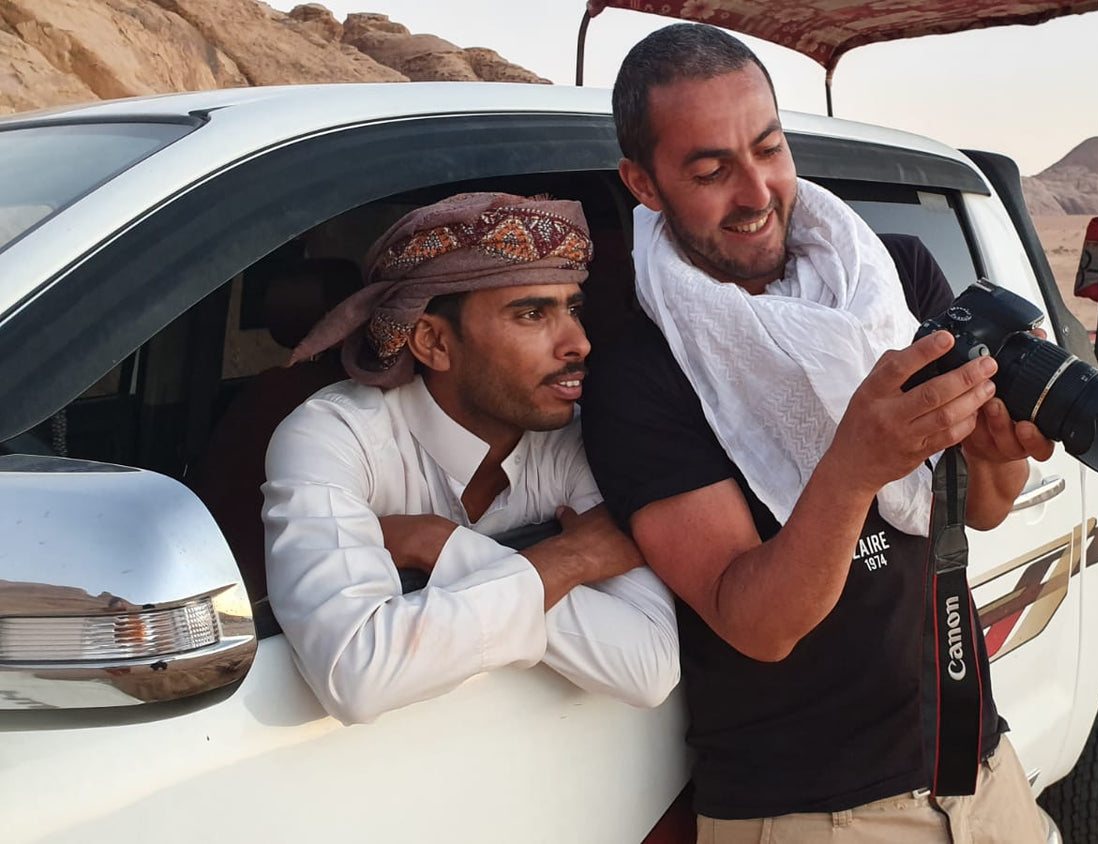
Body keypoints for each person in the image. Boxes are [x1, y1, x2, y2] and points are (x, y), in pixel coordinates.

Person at [581, 23, 1054, 844]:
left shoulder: (893, 275)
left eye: (768, 148)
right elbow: (758, 622)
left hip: (977, 764)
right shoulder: (641, 370)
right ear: (643, 184)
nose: (758, 191)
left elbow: (979, 509)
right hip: (811, 812)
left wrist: (991, 450)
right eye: (711, 170)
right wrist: (852, 465)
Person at [261, 192, 678, 726]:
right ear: (434, 342)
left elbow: (649, 667)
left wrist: (444, 547)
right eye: (532, 313)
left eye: (573, 308)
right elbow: (356, 673)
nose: (579, 343)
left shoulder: (580, 439)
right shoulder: (336, 436)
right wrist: (570, 560)